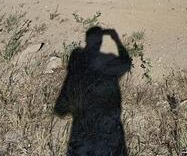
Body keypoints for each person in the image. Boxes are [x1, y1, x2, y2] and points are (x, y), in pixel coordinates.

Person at [55, 27, 132, 156]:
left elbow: (65, 94)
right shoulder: (108, 61)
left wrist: (63, 106)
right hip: (107, 126)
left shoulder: (78, 62)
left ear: (87, 40)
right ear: (101, 42)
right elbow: (126, 63)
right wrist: (116, 40)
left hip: (83, 129)